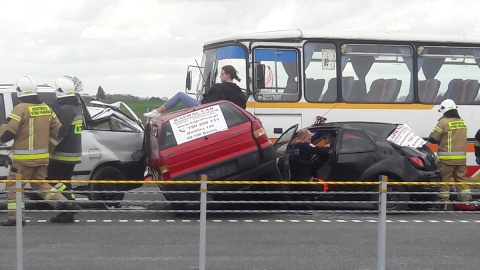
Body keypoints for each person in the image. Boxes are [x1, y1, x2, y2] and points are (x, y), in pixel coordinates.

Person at [0, 76, 81, 226]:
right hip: (43, 158)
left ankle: (16, 218)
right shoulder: (46, 108)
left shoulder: (20, 108)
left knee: (13, 186)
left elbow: (9, 132)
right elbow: (59, 130)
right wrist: (48, 147)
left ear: (19, 92)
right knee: (40, 185)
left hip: (23, 159)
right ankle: (65, 204)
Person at [143, 65, 247, 118]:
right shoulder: (238, 92)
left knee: (180, 95)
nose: (220, 75)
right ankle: (158, 111)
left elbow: (209, 102)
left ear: (228, 75)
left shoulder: (220, 87)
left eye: (222, 74)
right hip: (214, 112)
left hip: (204, 109)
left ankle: (157, 112)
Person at [428, 99, 475, 211]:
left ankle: (444, 203)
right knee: (461, 180)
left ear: (445, 110)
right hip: (461, 159)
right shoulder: (462, 122)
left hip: (447, 159)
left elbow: (433, 138)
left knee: (444, 181)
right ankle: (466, 201)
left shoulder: (443, 122)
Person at [46, 77, 83, 203]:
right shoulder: (76, 108)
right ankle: (69, 206)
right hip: (72, 154)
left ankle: (68, 206)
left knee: (51, 182)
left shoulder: (65, 109)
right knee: (64, 182)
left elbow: (59, 133)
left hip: (62, 155)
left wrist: (47, 149)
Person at [287, 129, 333, 203]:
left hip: (294, 178)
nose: (310, 141)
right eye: (309, 139)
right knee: (314, 192)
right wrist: (329, 146)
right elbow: (321, 151)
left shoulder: (292, 147)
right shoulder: (304, 146)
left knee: (299, 197)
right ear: (304, 138)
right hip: (305, 178)